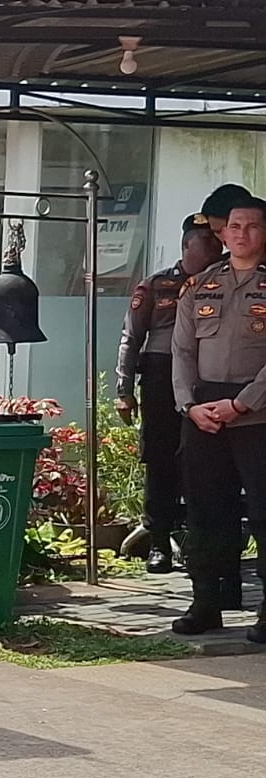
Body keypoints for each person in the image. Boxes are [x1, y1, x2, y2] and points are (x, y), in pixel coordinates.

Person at [170, 196, 266, 643]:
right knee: (205, 512)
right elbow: (181, 351)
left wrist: (243, 403)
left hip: (257, 413)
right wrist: (188, 405)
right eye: (235, 226)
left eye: (252, 226)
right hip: (204, 412)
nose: (242, 234)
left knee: (263, 513)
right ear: (223, 234)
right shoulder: (200, 285)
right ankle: (206, 603)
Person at [115, 214, 224, 573]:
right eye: (207, 241)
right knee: (161, 459)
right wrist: (123, 390)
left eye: (217, 241)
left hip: (205, 377)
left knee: (202, 462)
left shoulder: (223, 283)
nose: (216, 247)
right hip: (162, 376)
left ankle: (198, 543)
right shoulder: (156, 285)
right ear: (187, 245)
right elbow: (131, 338)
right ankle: (159, 542)